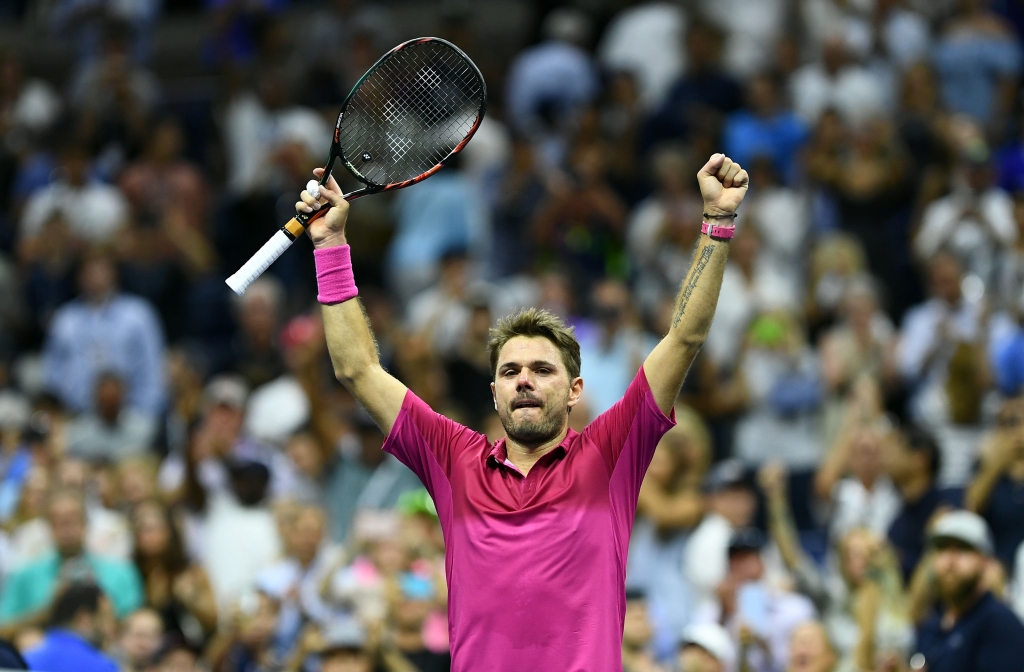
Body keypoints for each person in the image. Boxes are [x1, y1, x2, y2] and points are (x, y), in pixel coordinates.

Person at [293, 151, 749, 671]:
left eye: (542, 370)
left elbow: (684, 337)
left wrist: (717, 222)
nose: (525, 381)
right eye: (510, 372)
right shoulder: (453, 459)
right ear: (493, 393)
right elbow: (357, 369)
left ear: (576, 390)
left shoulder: (610, 453)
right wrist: (330, 244)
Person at [42, 247, 166, 415]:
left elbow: (154, 367)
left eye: (102, 268)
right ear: (80, 276)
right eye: (90, 270)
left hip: (132, 416)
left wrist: (146, 414)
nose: (96, 275)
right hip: (77, 417)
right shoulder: (65, 320)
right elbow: (52, 373)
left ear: (114, 273)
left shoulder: (138, 314)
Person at [0, 489, 143, 623]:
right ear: (48, 527)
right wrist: (47, 611)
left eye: (71, 519)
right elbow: (4, 627)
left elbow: (140, 625)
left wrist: (106, 615)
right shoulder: (25, 576)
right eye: (58, 521)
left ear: (86, 523)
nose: (66, 527)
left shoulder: (121, 572)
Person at [912, 509, 1024, 671]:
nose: (950, 560)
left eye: (963, 549)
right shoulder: (933, 623)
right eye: (942, 549)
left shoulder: (1000, 625)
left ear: (986, 561)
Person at [131, 499, 218, 646]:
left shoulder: (191, 572)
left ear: (169, 531)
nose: (146, 536)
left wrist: (192, 601)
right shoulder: (131, 572)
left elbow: (213, 621)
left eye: (152, 528)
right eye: (141, 529)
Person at [22, 583, 119, 672]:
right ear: (83, 618)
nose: (111, 628)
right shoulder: (102, 667)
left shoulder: (25, 660)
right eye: (105, 617)